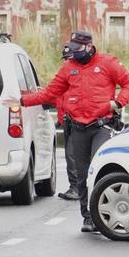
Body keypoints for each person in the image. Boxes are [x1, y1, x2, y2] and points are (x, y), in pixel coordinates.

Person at [15, 32, 129, 232]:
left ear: (89, 46)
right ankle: (88, 218)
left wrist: (117, 102)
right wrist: (22, 101)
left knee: (98, 168)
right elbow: (50, 93)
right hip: (78, 127)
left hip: (102, 125)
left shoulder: (108, 63)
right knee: (82, 176)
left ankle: (103, 214)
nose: (75, 53)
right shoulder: (69, 67)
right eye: (73, 49)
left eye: (78, 49)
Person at [55, 44, 81, 201]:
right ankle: (76, 187)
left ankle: (76, 188)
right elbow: (53, 96)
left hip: (77, 122)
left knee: (73, 156)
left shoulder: (77, 78)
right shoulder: (64, 77)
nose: (66, 62)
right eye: (65, 59)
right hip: (66, 122)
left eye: (69, 58)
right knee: (70, 156)